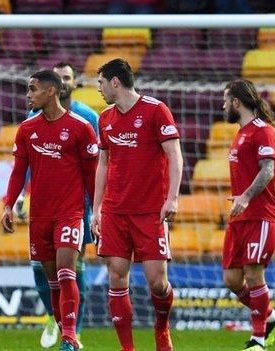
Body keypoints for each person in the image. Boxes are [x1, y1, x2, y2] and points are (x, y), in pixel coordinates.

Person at [2, 70, 98, 351]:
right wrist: (8, 203)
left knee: (68, 270)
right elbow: (19, 172)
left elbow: (92, 176)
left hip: (71, 212)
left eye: (33, 89)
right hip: (39, 215)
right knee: (53, 279)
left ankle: (69, 337)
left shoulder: (81, 127)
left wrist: (98, 213)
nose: (28, 94)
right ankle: (63, 326)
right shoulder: (27, 129)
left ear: (50, 91)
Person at [91, 58, 183, 351]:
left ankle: (161, 329)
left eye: (101, 83)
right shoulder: (105, 118)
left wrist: (172, 198)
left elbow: (174, 155)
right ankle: (127, 348)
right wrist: (97, 209)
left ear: (115, 81)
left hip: (150, 211)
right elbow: (102, 164)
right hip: (116, 211)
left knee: (157, 282)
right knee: (117, 276)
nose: (100, 90)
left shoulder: (156, 110)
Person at [221, 78, 275, 351]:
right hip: (239, 218)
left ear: (236, 102)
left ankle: (258, 341)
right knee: (232, 280)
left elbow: (268, 170)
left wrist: (246, 197)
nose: (223, 106)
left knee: (253, 275)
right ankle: (271, 317)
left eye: (225, 101)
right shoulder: (241, 133)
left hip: (260, 216)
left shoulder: (263, 131)